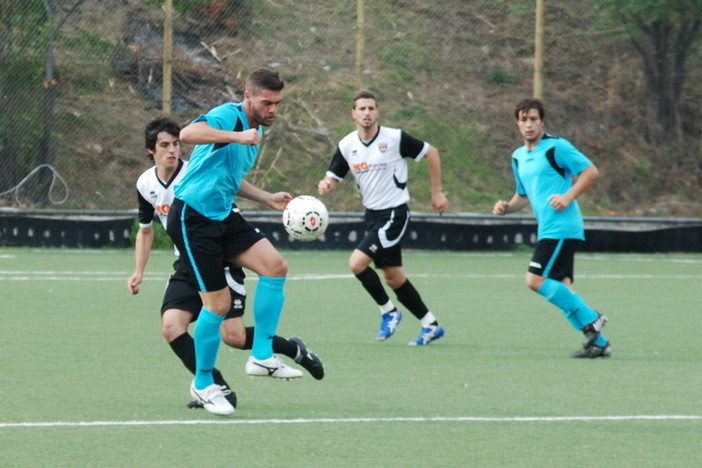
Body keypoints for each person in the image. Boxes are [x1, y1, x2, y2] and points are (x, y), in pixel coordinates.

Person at [128, 116, 324, 412]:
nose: (172, 150)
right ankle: (214, 385)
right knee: (171, 327)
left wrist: (266, 197)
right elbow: (146, 229)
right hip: (186, 262)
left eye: (177, 143)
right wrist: (138, 271)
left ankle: (292, 348)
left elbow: (232, 182)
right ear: (150, 150)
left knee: (232, 336)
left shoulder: (192, 171)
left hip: (218, 258)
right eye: (164, 145)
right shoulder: (145, 183)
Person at [166, 68, 301, 416]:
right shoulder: (231, 115)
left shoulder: (255, 133)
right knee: (218, 306)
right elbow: (187, 132)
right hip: (193, 217)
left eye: (277, 104)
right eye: (266, 102)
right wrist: (236, 136)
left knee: (275, 267)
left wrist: (267, 197)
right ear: (248, 98)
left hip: (223, 215)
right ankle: (204, 382)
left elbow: (230, 179)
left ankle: (262, 355)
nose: (272, 109)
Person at [317, 89, 449, 346]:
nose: (366, 113)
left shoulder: (395, 138)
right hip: (372, 216)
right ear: (353, 113)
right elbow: (333, 175)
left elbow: (431, 152)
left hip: (394, 215)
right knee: (394, 278)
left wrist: (436, 192)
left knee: (357, 264)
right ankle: (431, 325)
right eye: (361, 109)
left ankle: (388, 311)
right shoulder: (347, 145)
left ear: (377, 112)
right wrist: (326, 185)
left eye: (371, 108)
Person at [492, 97, 611, 358]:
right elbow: (522, 195)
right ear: (517, 124)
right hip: (548, 228)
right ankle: (598, 342)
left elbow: (591, 172)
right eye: (524, 120)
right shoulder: (518, 156)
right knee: (563, 286)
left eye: (534, 119)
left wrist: (568, 196)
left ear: (542, 121)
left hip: (562, 227)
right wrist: (506, 206)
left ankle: (592, 319)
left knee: (534, 280)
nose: (529, 124)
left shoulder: (556, 147)